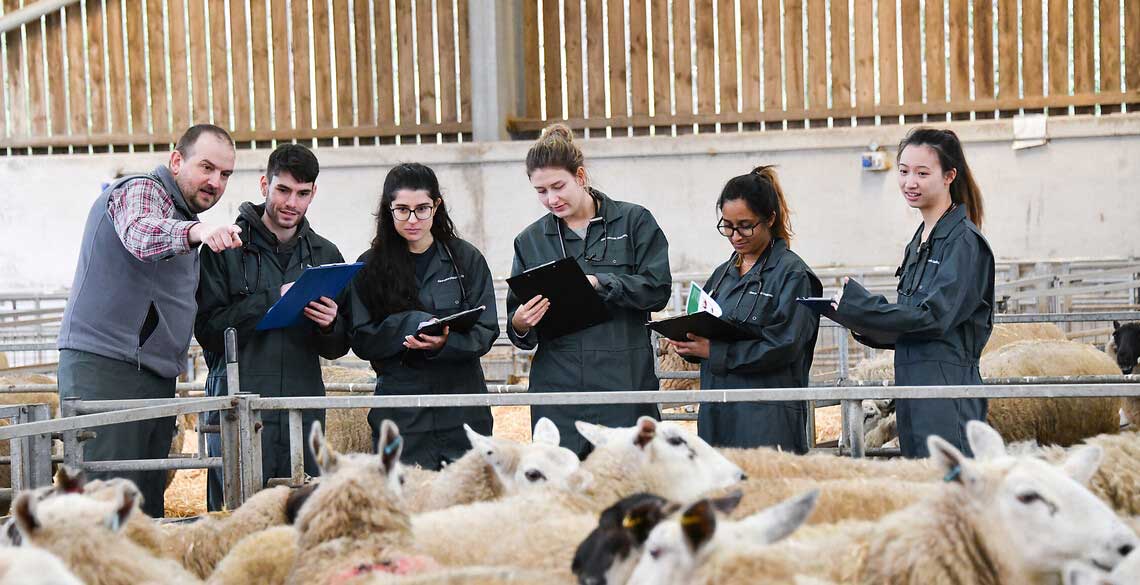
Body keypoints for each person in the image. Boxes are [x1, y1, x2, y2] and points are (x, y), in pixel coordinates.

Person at [57, 124, 242, 517]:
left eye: (225, 174)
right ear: (176, 160)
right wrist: (197, 231)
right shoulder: (140, 189)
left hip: (153, 373)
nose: (215, 182)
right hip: (108, 367)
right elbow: (141, 233)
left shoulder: (184, 214)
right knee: (108, 504)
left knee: (145, 505)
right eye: (206, 167)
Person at [195, 144, 350, 510]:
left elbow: (339, 346)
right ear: (265, 184)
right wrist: (273, 298)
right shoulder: (225, 249)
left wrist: (330, 325)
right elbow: (207, 330)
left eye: (302, 193)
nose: (291, 203)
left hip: (302, 402)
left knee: (303, 509)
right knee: (238, 511)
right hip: (240, 401)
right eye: (282, 190)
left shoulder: (326, 256)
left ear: (313, 193)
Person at [507, 124, 672, 458]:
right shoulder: (530, 241)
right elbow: (517, 324)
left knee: (629, 482)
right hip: (559, 392)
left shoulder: (634, 222)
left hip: (624, 385)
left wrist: (601, 282)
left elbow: (658, 289)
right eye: (540, 191)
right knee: (563, 489)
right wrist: (521, 322)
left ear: (580, 176)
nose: (551, 199)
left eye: (558, 186)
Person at [832, 127, 995, 458]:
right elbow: (912, 323)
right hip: (911, 384)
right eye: (904, 172)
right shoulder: (920, 240)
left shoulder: (963, 242)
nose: (910, 182)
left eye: (922, 173)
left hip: (946, 388)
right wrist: (859, 321)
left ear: (950, 175)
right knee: (920, 481)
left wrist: (866, 308)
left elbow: (934, 318)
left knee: (951, 488)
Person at [344, 163, 499, 470]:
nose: (412, 219)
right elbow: (361, 336)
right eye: (402, 209)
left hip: (462, 407)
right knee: (406, 501)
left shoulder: (466, 259)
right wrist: (410, 324)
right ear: (388, 210)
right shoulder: (369, 266)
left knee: (466, 501)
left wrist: (446, 343)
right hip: (402, 410)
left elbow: (487, 328)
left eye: (422, 209)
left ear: (436, 206)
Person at [666, 166, 822, 453]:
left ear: (770, 219)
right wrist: (689, 343)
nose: (735, 235)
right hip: (718, 412)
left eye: (745, 225)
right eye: (727, 226)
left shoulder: (792, 275)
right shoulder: (721, 275)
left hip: (766, 416)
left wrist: (715, 352)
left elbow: (785, 345)